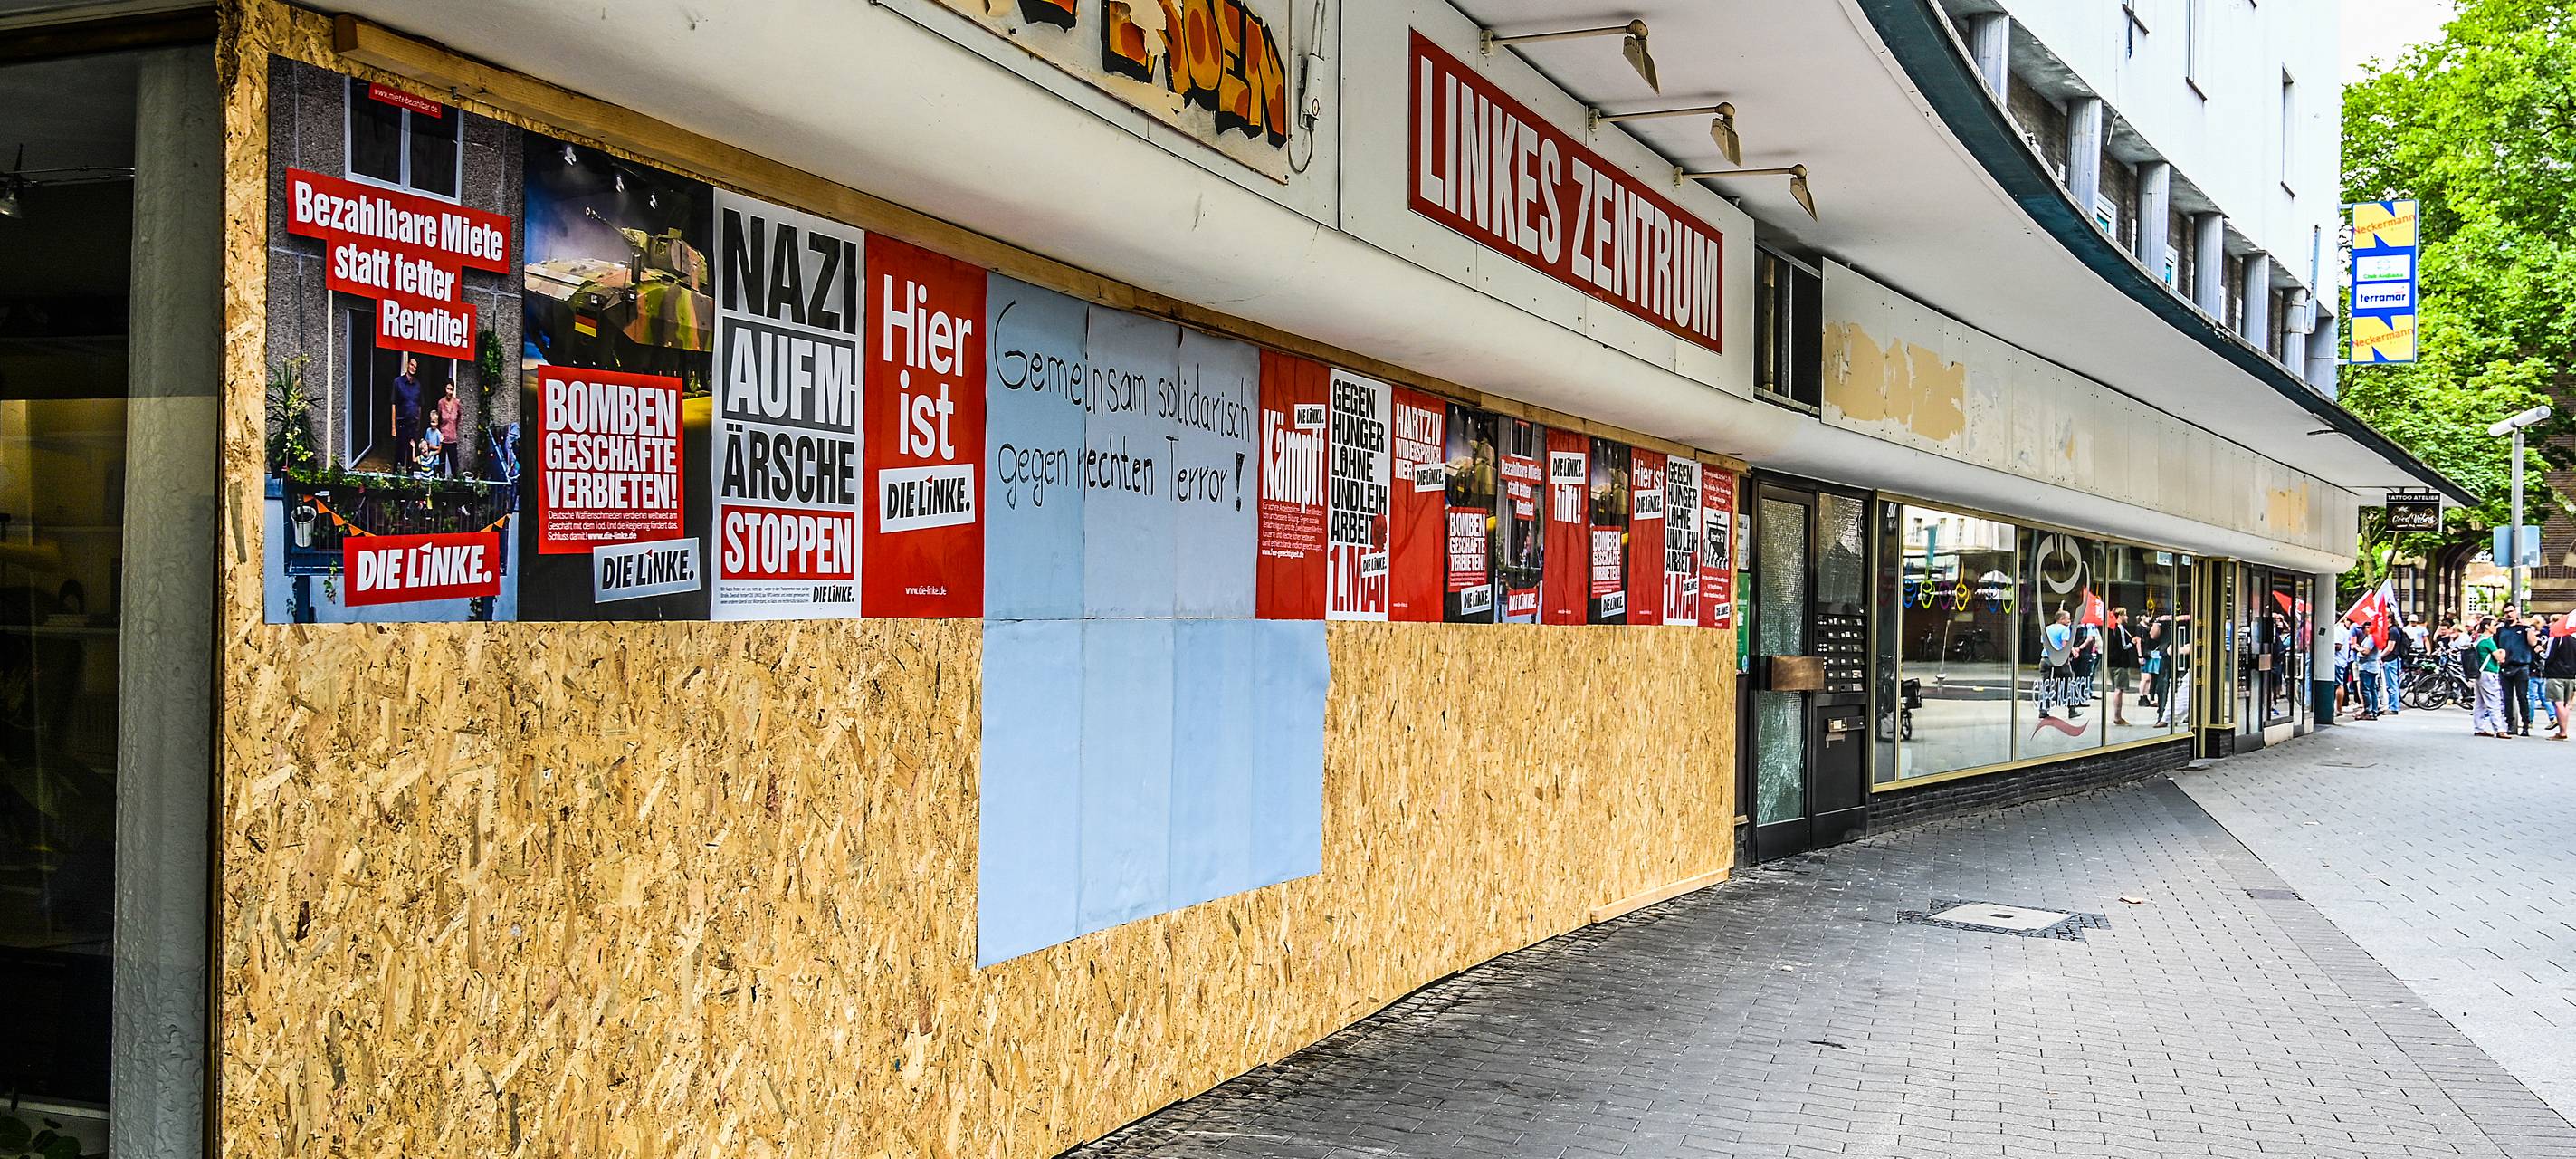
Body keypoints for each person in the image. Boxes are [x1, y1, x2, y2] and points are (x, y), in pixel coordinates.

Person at [2496, 606, 2538, 736]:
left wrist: (2529, 629)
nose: (2509, 615)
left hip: (2521, 666)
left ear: (2516, 612)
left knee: (2522, 697)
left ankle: (2525, 724)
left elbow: (2533, 643)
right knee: (2507, 698)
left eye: (2511, 612)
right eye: (2506, 613)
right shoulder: (2501, 630)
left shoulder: (2524, 628)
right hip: (2505, 666)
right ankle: (2510, 723)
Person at [2038, 609, 2078, 719]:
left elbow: (2044, 644)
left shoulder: (2046, 629)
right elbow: (2065, 645)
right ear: (2061, 619)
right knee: (2069, 682)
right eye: (2067, 618)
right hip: (2059, 659)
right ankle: (2072, 709)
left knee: (2045, 685)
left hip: (2046, 658)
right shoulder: (2064, 629)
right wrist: (2070, 655)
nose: (2069, 620)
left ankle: (2043, 710)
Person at [2104, 607, 2142, 726]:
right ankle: (2117, 717)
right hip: (2120, 663)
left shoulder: (2110, 628)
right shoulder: (2119, 628)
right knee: (2119, 690)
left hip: (2111, 662)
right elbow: (2123, 646)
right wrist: (2133, 643)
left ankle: (2117, 716)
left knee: (2117, 688)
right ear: (2120, 615)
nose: (2127, 617)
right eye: (2125, 615)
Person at [2473, 618, 2509, 737]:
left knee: (2479, 702)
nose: (2496, 627)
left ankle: (2479, 728)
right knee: (2494, 701)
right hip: (2489, 672)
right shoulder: (2488, 641)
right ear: (2487, 627)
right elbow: (2500, 658)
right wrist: (2503, 652)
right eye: (2494, 625)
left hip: (2480, 673)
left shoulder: (2479, 640)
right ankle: (2499, 729)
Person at [2544, 613, 2576, 741]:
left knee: (2558, 704)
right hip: (2571, 675)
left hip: (2556, 674)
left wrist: (2541, 654)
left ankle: (2562, 732)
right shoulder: (2574, 640)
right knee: (2567, 704)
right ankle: (2563, 730)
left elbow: (2549, 656)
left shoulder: (2556, 639)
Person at [390, 354, 423, 476]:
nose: (413, 368)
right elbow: (393, 405)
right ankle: (396, 481)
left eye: (415, 366)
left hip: (413, 427)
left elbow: (420, 405)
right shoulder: (398, 382)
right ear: (408, 364)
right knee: (399, 456)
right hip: (401, 426)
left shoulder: (418, 385)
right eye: (412, 365)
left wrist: (418, 424)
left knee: (411, 457)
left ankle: (409, 483)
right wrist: (393, 427)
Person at [2352, 621, 2383, 720]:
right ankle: (2374, 710)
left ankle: (2368, 711)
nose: (2363, 631)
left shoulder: (2371, 638)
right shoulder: (2374, 637)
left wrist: (2357, 648)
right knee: (2372, 689)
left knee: (2366, 689)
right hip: (2372, 666)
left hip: (2367, 666)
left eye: (2364, 628)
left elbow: (2366, 651)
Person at [434, 380, 463, 479]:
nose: (449, 392)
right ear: (445, 389)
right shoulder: (441, 403)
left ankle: (456, 488)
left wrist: (455, 429)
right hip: (443, 439)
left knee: (454, 466)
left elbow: (459, 417)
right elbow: (437, 419)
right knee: (441, 466)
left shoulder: (457, 403)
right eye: (448, 389)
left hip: (453, 439)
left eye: (451, 389)